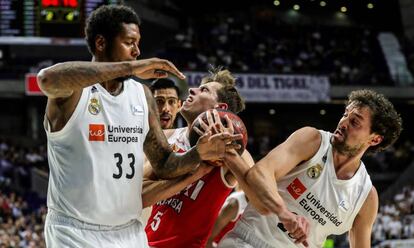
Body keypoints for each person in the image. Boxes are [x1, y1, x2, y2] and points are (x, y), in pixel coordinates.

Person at [37, 5, 240, 248]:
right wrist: (132, 68)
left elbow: (164, 163)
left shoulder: (141, 95)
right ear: (101, 43)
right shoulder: (74, 93)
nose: (137, 52)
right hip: (75, 232)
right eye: (129, 43)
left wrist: (199, 154)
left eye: (138, 43)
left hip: (129, 232)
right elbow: (47, 79)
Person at [219, 89, 402, 248]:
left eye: (355, 122)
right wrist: (284, 213)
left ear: (375, 139)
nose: (343, 123)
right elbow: (259, 173)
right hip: (249, 241)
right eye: (345, 114)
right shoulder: (313, 141)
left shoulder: (366, 196)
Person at [142, 68, 255, 248]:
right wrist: (195, 172)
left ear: (220, 108)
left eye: (204, 90)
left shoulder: (232, 150)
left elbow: (255, 193)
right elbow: (138, 196)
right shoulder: (168, 138)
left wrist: (230, 152)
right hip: (144, 242)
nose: (192, 90)